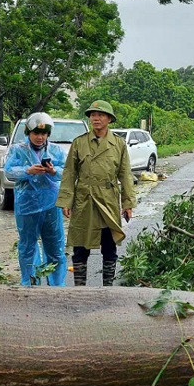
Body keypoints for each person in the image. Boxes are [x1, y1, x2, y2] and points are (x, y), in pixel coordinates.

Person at [56, 100, 136, 286]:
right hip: (84, 201)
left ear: (109, 119)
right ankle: (80, 289)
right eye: (93, 115)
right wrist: (66, 201)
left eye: (100, 115)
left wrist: (128, 204)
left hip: (108, 202)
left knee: (109, 247)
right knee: (80, 248)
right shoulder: (79, 143)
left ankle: (107, 288)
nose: (96, 118)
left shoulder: (118, 144)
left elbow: (125, 175)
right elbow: (69, 173)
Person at [3, 111, 67, 286]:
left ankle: (57, 285)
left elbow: (67, 172)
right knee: (28, 245)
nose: (40, 137)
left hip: (51, 204)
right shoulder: (18, 150)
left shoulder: (56, 150)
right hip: (27, 204)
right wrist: (27, 171)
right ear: (28, 133)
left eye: (44, 134)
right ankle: (31, 282)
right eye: (36, 133)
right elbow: (8, 170)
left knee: (55, 246)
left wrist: (54, 171)